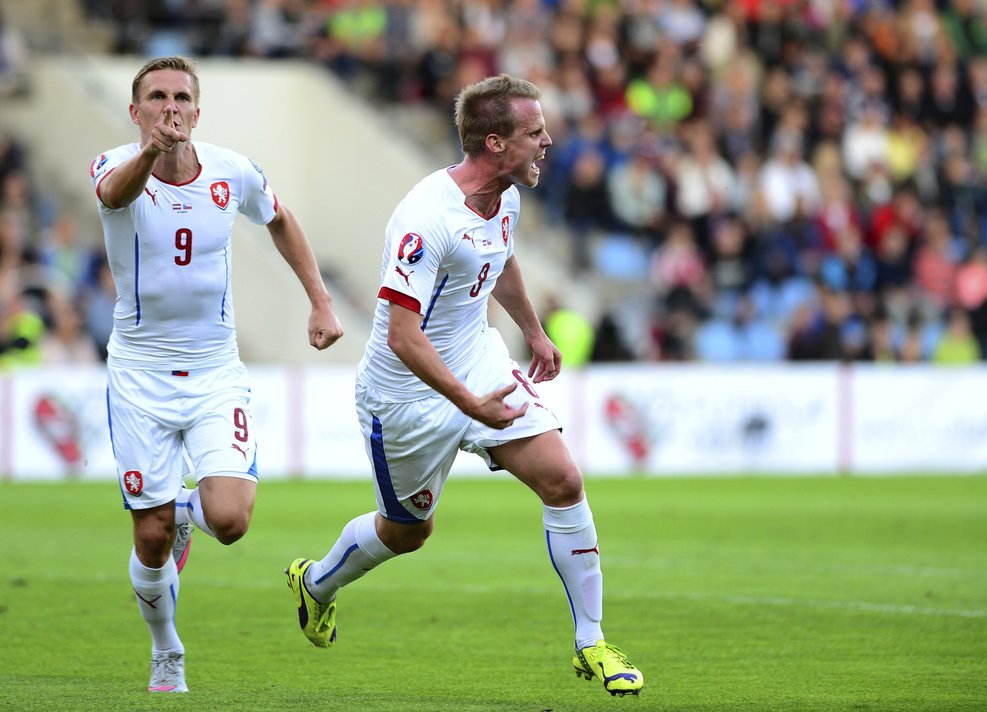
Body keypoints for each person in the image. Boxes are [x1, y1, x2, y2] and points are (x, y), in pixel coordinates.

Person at [284, 74, 643, 697]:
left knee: (563, 479)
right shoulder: (426, 220)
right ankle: (316, 583)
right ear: (496, 143)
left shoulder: (506, 192)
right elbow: (402, 335)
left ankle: (592, 643)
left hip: (479, 361)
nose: (548, 142)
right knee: (407, 533)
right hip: (405, 396)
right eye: (535, 133)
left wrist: (533, 330)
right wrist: (468, 404)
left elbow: (499, 257)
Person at [89, 56, 343, 694]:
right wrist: (150, 154)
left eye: (180, 98)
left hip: (213, 369)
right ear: (136, 110)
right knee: (149, 537)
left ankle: (181, 509)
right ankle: (165, 648)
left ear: (197, 112)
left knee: (229, 521)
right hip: (141, 374)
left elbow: (280, 217)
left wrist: (319, 299)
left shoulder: (233, 171)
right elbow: (116, 196)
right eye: (155, 97)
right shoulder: (115, 165)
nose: (168, 107)